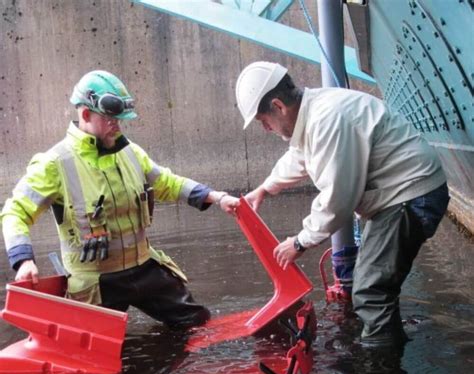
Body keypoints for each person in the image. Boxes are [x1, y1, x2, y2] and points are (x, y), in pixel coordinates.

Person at [1, 70, 239, 329]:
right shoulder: (54, 163)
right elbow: (15, 213)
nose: (118, 125)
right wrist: (23, 260)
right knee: (95, 354)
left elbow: (167, 183)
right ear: (85, 114)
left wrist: (215, 197)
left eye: (120, 119)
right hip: (96, 282)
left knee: (196, 323)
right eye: (111, 119)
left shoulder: (130, 152)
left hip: (144, 268)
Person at [236, 61, 449, 347]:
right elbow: (300, 157)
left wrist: (300, 242)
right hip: (399, 194)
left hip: (409, 195)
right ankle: (387, 344)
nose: (266, 128)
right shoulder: (314, 114)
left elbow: (337, 198)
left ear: (278, 106)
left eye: (264, 120)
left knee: (371, 291)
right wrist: (265, 188)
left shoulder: (327, 119)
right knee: (374, 285)